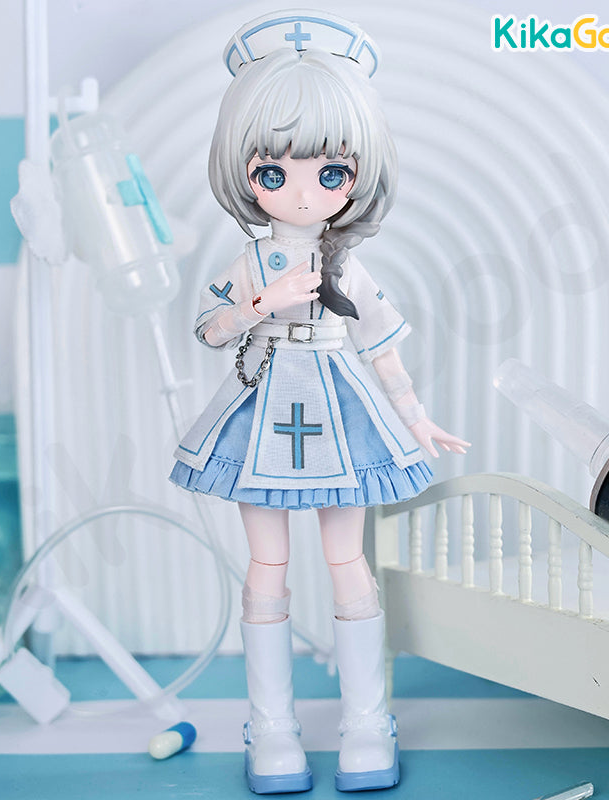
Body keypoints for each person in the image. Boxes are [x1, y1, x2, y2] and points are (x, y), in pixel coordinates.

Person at [170, 10, 469, 793]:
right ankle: (272, 728)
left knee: (347, 562)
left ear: (357, 176)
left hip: (340, 407)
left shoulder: (348, 264)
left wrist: (415, 418)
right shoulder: (249, 259)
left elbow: (381, 345)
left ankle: (367, 722)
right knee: (267, 564)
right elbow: (209, 329)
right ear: (243, 172)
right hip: (263, 405)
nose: (302, 193)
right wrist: (259, 304)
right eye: (273, 174)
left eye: (330, 173)